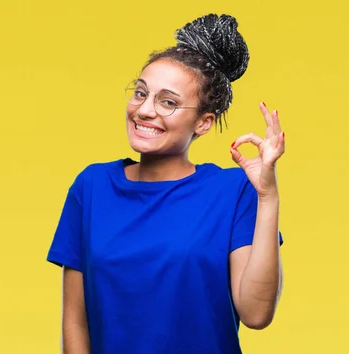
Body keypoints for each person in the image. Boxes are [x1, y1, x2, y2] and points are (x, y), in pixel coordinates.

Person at [46, 13, 285, 354]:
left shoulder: (233, 191)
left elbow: (256, 313)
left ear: (204, 123)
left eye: (168, 102)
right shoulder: (92, 187)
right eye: (140, 93)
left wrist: (267, 196)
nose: (144, 110)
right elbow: (75, 321)